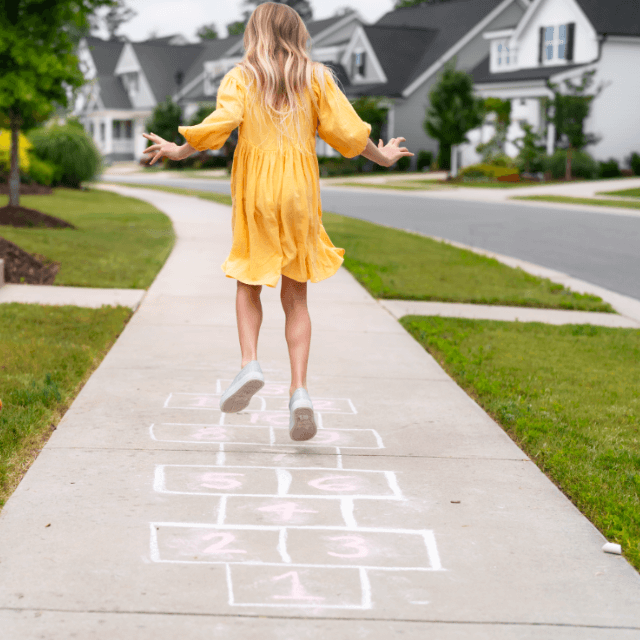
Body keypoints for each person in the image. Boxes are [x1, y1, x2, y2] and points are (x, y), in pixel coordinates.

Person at [142, 2, 413, 442]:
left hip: (258, 192)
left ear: (255, 33)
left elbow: (221, 125)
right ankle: (300, 391)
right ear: (298, 33)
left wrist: (177, 149)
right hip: (300, 192)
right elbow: (347, 133)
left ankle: (249, 362)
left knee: (248, 281)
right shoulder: (317, 77)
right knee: (297, 296)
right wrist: (382, 156)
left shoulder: (242, 77)